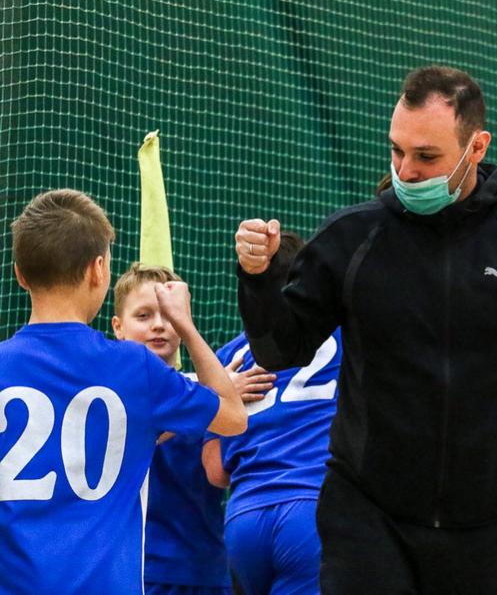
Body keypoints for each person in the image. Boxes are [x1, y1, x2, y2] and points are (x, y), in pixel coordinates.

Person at [233, 65, 497, 593]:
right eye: (397, 151)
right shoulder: (351, 238)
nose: (406, 171)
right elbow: (279, 349)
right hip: (366, 516)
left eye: (426, 156)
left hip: (489, 528)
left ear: (477, 147)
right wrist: (259, 279)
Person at [0, 189, 246, 593]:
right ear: (98, 270)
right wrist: (184, 325)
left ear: (20, 275)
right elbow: (234, 416)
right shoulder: (135, 367)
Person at [204, 232, 342, 595]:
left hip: (244, 519)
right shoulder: (346, 337)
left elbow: (215, 471)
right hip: (313, 509)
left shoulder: (227, 358)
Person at [111, 263, 242, 595]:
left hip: (207, 568)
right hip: (139, 568)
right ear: (118, 327)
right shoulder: (109, 395)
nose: (159, 325)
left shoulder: (214, 390)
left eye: (169, 316)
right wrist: (212, 403)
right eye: (143, 316)